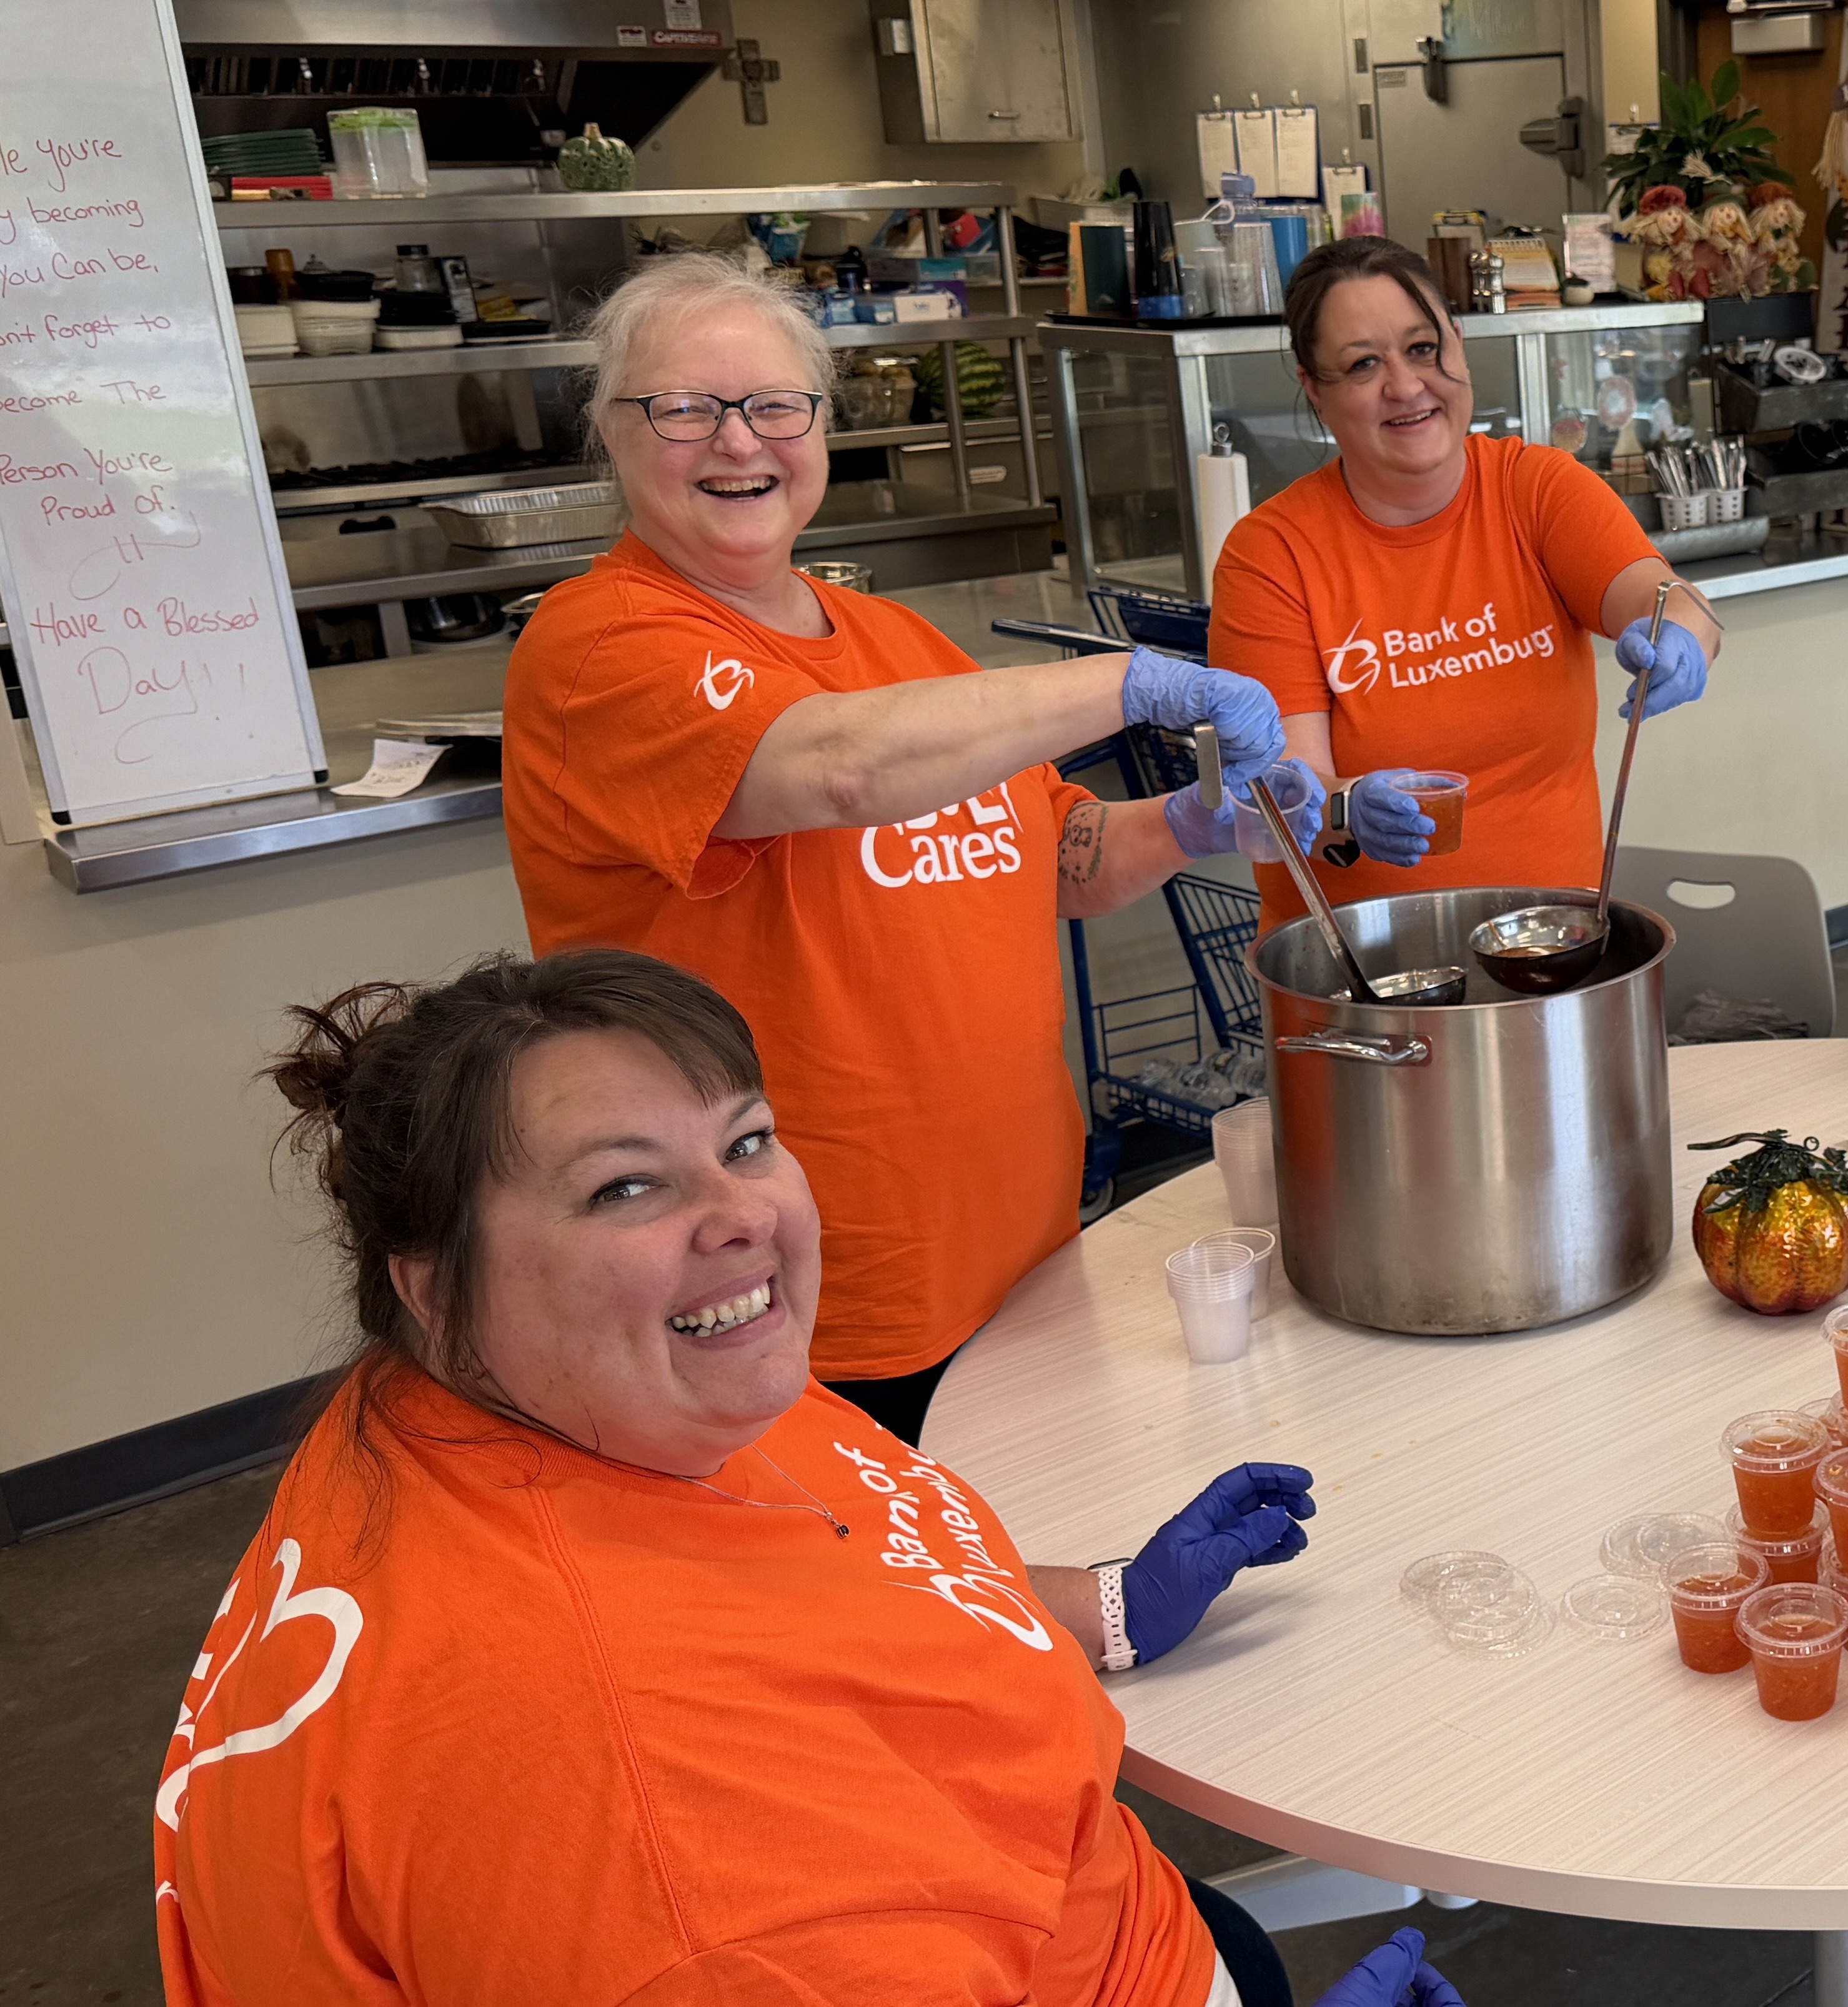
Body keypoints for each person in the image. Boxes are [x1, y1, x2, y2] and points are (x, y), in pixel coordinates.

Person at [156, 950, 1458, 2007]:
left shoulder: (526, 1411)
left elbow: (826, 1582)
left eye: (748, 1139)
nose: (742, 1214)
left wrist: (1106, 1602)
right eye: (624, 1186)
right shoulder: (687, 1872)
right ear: (434, 1285)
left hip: (1057, 1907)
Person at [504, 254, 1303, 1442]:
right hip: (801, 1304)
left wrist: (1208, 820)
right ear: (610, 435)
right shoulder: (595, 648)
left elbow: (1062, 859)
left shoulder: (898, 638)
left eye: (777, 405)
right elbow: (834, 769)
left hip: (1024, 1255)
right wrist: (1131, 681)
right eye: (683, 409)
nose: (739, 444)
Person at [1206, 236, 1722, 928]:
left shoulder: (1536, 490)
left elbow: (1666, 598)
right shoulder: (1273, 555)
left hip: (1552, 951)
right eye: (1363, 365)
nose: (1406, 386)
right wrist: (1343, 809)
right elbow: (1278, 792)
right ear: (1314, 390)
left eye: (1423, 349)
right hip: (1365, 980)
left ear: (1458, 342)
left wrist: (1680, 637)